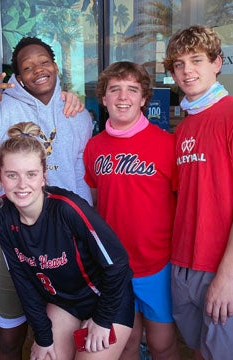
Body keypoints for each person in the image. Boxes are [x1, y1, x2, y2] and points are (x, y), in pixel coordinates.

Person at [0, 36, 93, 359]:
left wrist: (85, 231)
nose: (38, 70)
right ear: (18, 76)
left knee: (65, 334)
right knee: (10, 337)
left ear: (56, 65)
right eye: (27, 67)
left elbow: (81, 180)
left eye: (44, 61)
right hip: (16, 240)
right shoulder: (3, 109)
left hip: (65, 239)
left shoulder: (77, 113)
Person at [162, 25, 233, 359]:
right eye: (179, 64)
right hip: (183, 264)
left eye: (196, 60)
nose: (187, 70)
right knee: (198, 350)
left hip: (230, 269)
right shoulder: (186, 123)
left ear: (217, 62)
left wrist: (226, 276)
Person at [0, 121, 134, 360]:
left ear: (44, 176)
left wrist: (102, 319)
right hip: (63, 302)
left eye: (31, 174)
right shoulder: (0, 213)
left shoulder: (68, 209)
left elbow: (118, 264)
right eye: (12, 175)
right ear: (0, 177)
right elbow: (22, 278)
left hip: (106, 297)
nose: (22, 184)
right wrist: (43, 337)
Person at [83, 61, 179, 360]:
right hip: (114, 266)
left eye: (132, 90)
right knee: (126, 343)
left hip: (156, 263)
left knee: (161, 344)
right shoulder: (94, 146)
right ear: (103, 97)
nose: (123, 97)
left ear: (144, 98)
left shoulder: (168, 144)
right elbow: (97, 201)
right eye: (115, 89)